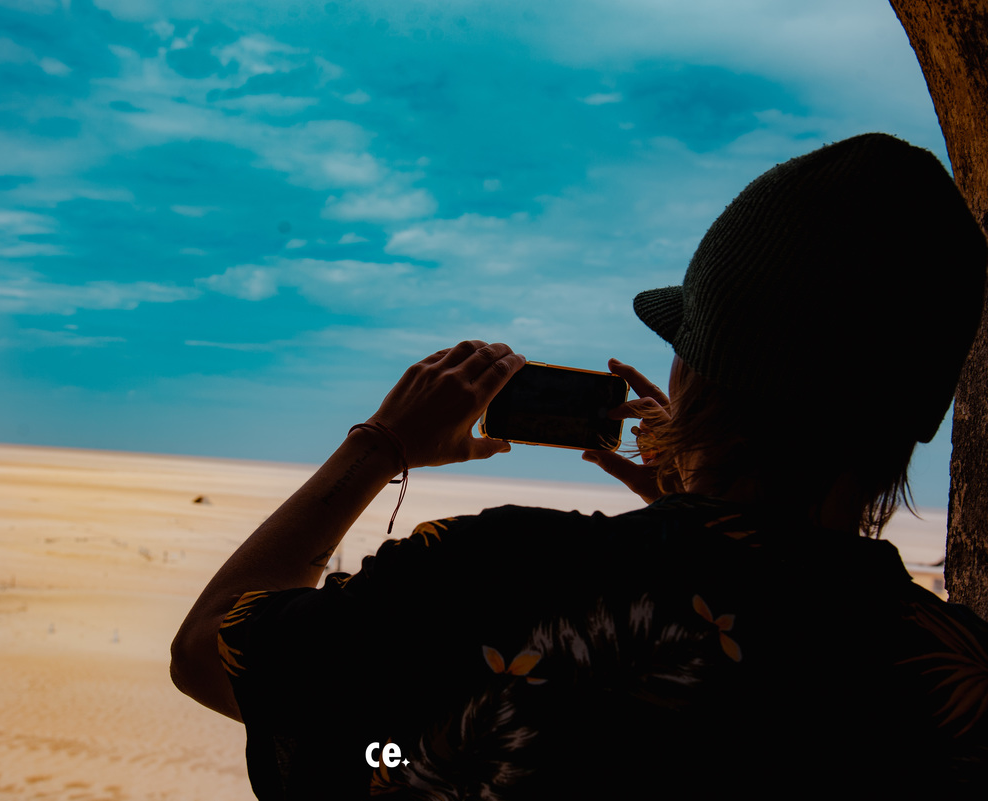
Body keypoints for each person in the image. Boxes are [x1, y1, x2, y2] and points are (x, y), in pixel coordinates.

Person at [171, 133, 988, 798]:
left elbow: (211, 651)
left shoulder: (502, 575)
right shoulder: (957, 676)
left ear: (692, 375)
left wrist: (378, 446)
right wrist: (701, 518)